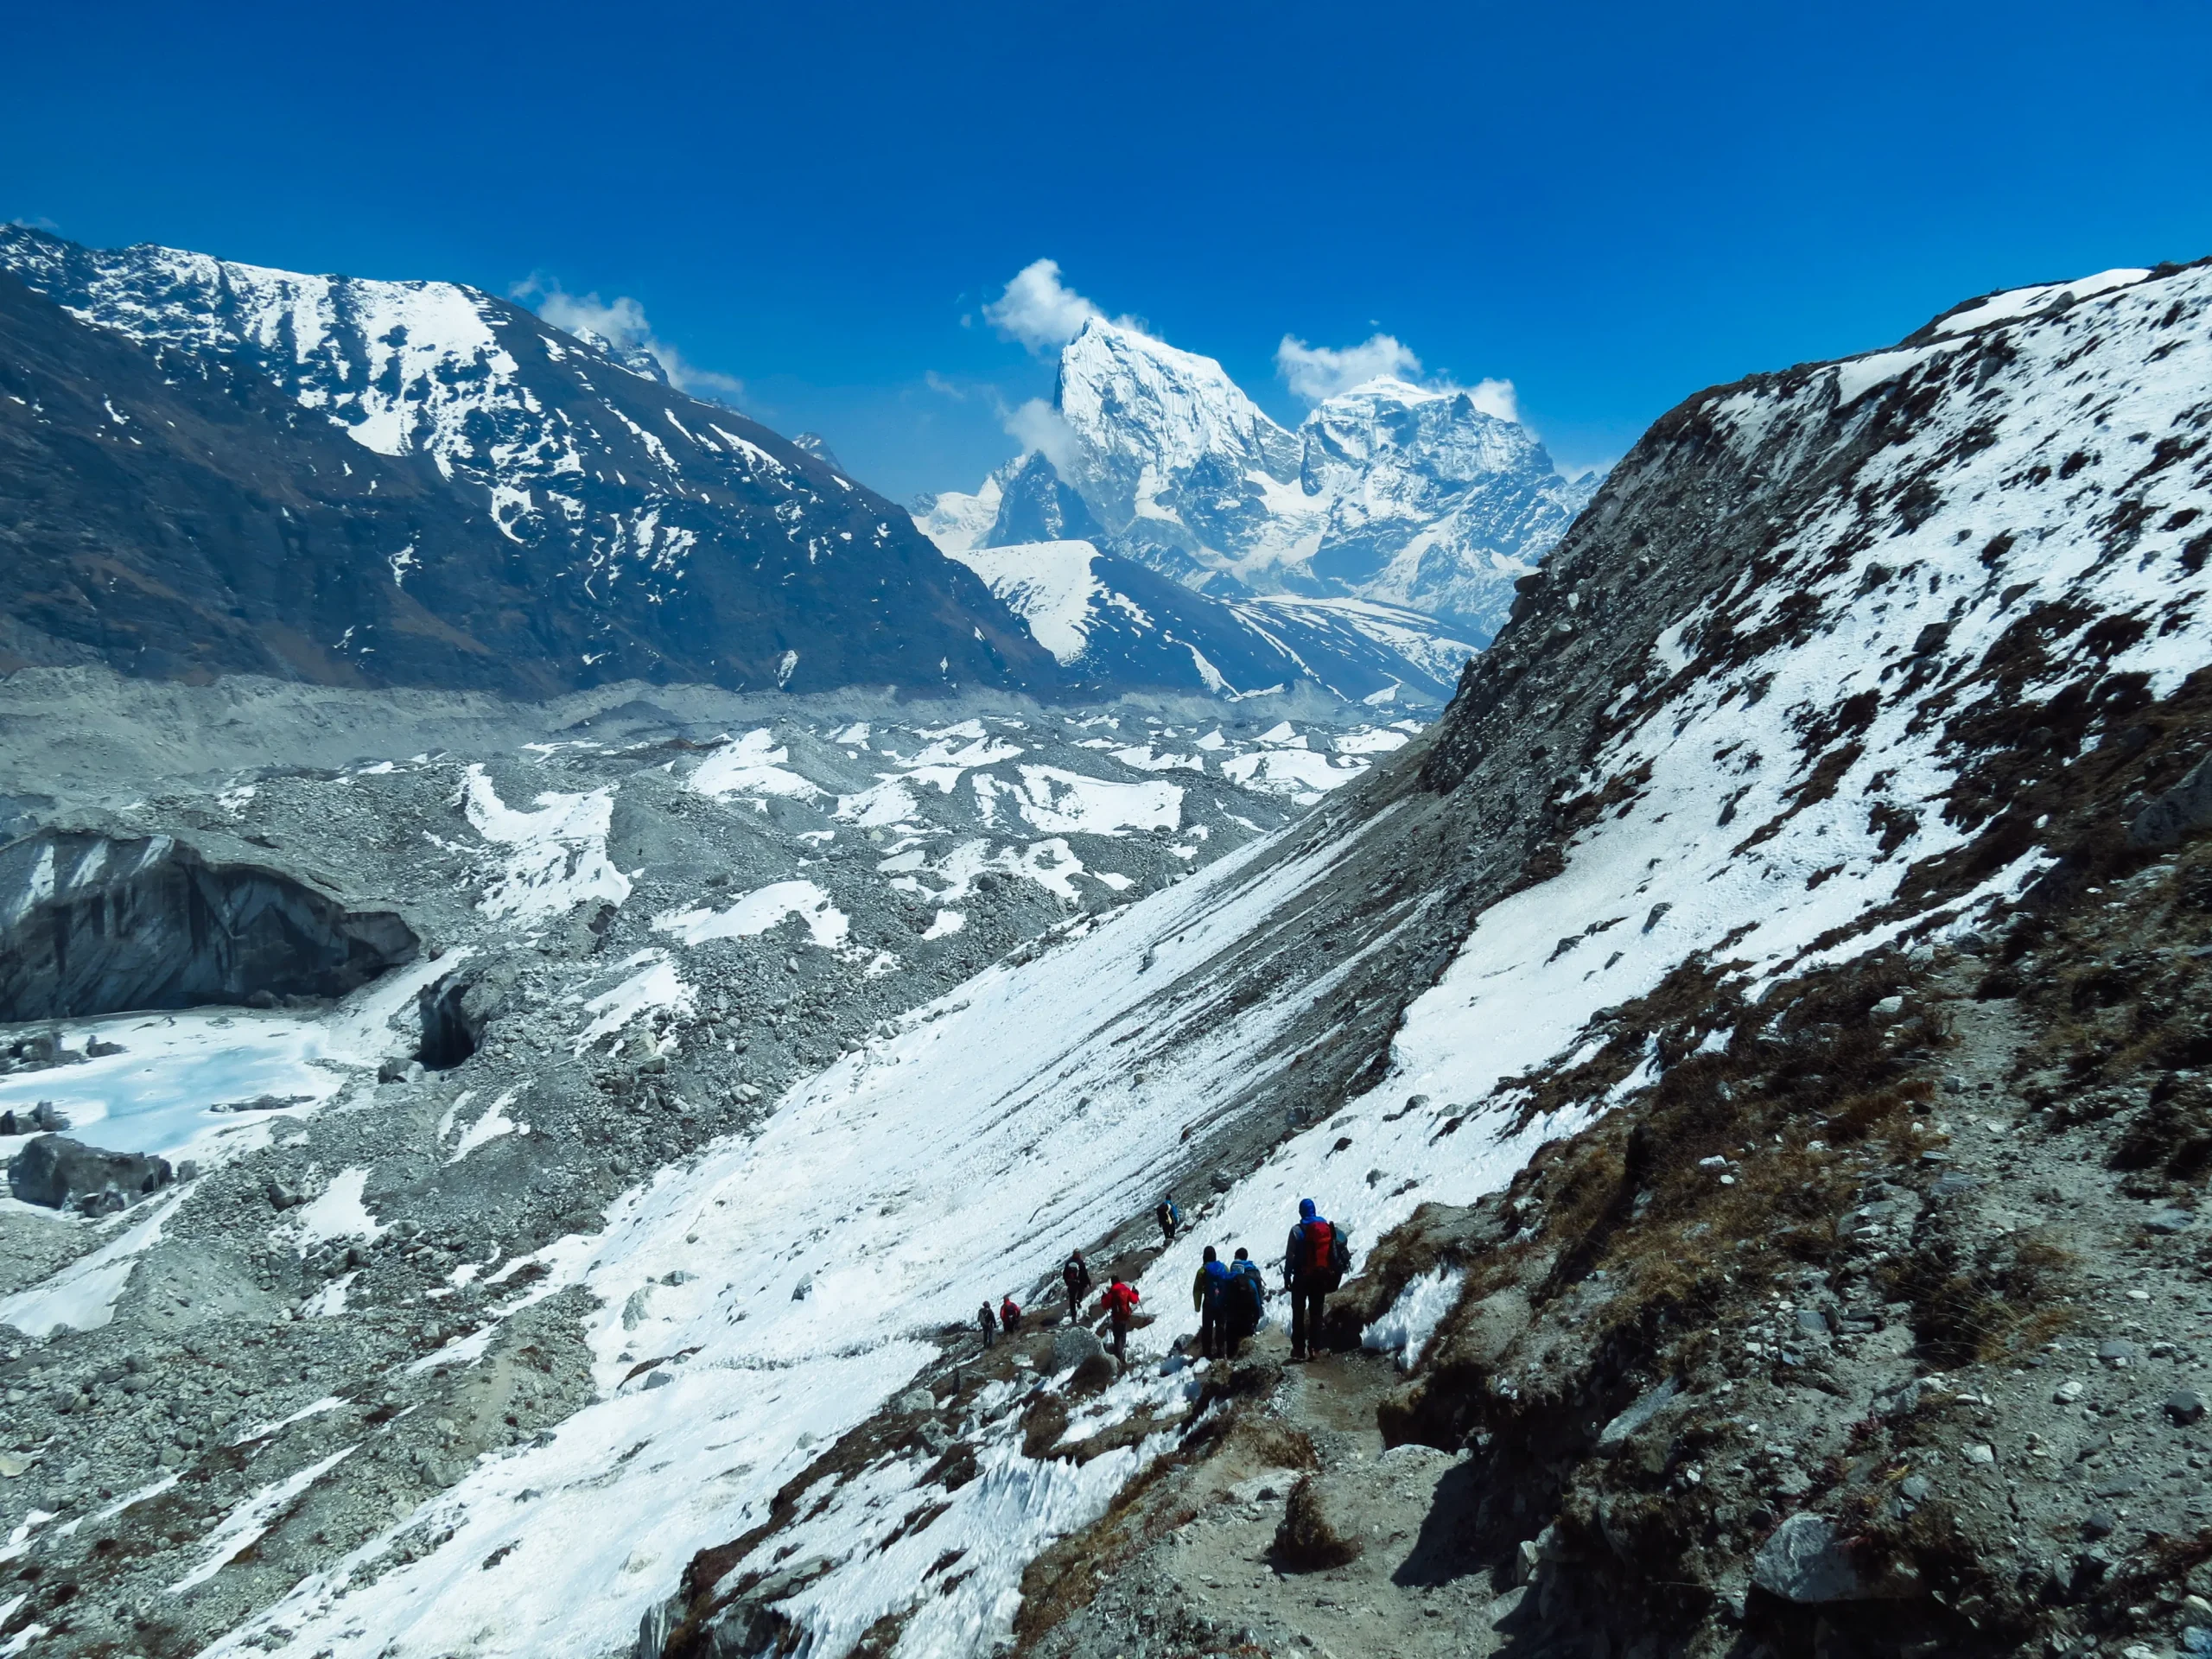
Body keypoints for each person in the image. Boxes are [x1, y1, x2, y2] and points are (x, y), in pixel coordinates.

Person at [1283, 1198, 1349, 1361]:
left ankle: (1298, 1349)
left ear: (1301, 1212)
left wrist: (1287, 1276)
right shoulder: (1325, 1227)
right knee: (1316, 1313)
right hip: (1320, 1276)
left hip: (1300, 1277)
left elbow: (1290, 1256)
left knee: (1298, 1313)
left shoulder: (1297, 1231)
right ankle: (1314, 1348)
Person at [1223, 1248, 1267, 1361]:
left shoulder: (1229, 1278)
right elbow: (1256, 1299)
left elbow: (1222, 1298)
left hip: (1232, 1318)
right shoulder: (1251, 1275)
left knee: (1232, 1346)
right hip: (1248, 1317)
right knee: (1246, 1344)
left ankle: (1229, 1368)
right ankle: (1244, 1367)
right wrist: (1257, 1316)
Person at [1192, 1246, 1229, 1359]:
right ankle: (1221, 1351)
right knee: (1220, 1327)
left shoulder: (1202, 1271)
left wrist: (1197, 1307)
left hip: (1208, 1304)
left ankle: (1207, 1354)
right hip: (1222, 1304)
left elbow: (1197, 1290)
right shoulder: (1224, 1268)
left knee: (1207, 1329)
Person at [1099, 1276, 1141, 1369]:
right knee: (1123, 1333)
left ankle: (1119, 1357)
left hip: (1117, 1317)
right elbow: (1134, 1300)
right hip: (1125, 1316)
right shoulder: (1125, 1289)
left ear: (1112, 1283)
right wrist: (1135, 1293)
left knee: (1117, 1336)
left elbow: (1105, 1305)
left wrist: (1103, 1298)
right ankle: (1122, 1352)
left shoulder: (1112, 1292)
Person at [1062, 1249, 1093, 1323]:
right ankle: (1079, 1299)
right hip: (1078, 1283)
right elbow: (1084, 1273)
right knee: (1081, 1290)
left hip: (1071, 1283)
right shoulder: (1080, 1262)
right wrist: (1088, 1282)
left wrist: (1067, 1282)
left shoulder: (1068, 1262)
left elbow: (1064, 1273)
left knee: (1072, 1300)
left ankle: (1073, 1317)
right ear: (1078, 1254)